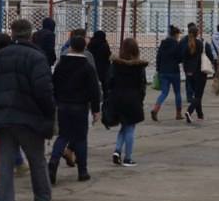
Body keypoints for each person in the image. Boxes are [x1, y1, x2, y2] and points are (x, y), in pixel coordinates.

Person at [0, 29, 59, 201]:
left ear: (13, 34)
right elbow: (43, 90)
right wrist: (49, 115)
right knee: (37, 160)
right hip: (29, 117)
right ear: (30, 35)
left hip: (2, 118)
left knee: (5, 163)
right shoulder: (36, 57)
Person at [48, 36, 101, 185]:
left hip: (63, 105)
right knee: (80, 138)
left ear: (70, 46)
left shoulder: (61, 65)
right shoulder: (87, 67)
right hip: (80, 106)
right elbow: (94, 90)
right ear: (84, 48)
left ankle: (53, 161)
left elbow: (54, 84)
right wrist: (96, 110)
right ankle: (82, 171)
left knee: (63, 135)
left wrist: (56, 101)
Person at [105, 38, 147, 166]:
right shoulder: (139, 66)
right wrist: (140, 99)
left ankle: (117, 150)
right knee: (130, 128)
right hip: (133, 99)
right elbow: (142, 85)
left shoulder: (115, 65)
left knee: (124, 125)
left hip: (117, 98)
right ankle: (128, 158)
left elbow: (109, 82)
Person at [151, 25, 186, 120]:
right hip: (174, 71)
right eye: (178, 34)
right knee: (177, 92)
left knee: (164, 93)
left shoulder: (163, 44)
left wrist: (158, 69)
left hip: (163, 71)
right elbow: (180, 58)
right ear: (175, 35)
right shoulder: (177, 45)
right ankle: (178, 114)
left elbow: (158, 57)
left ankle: (155, 109)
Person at [182, 23, 208, 123]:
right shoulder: (200, 44)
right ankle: (189, 111)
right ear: (197, 33)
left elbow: (184, 59)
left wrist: (187, 71)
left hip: (189, 73)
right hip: (199, 72)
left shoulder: (186, 45)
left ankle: (200, 115)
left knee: (196, 94)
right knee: (198, 95)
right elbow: (204, 56)